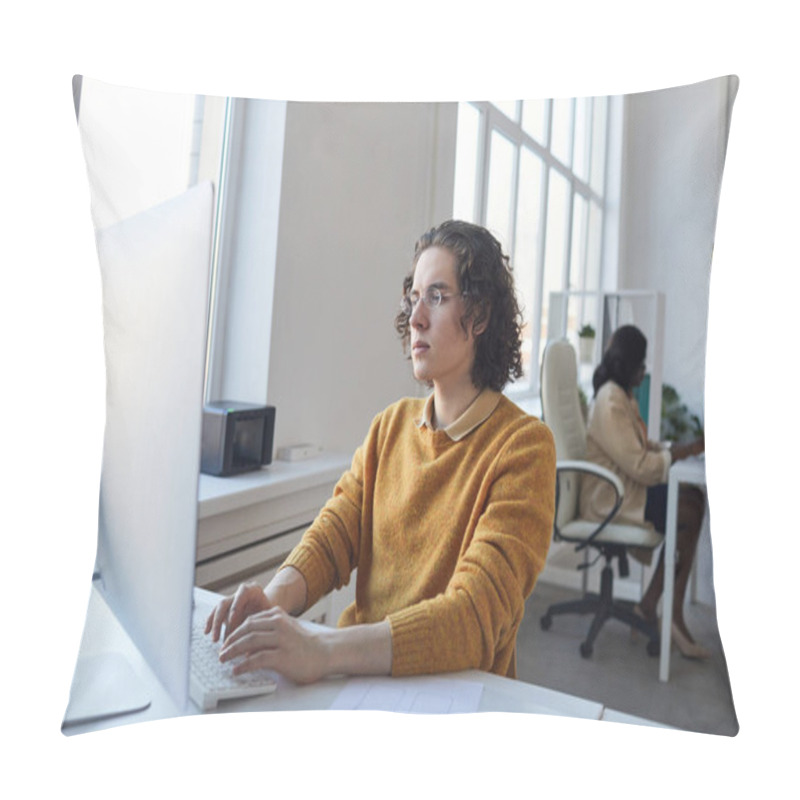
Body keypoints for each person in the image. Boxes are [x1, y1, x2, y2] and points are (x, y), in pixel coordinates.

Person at [205, 220, 556, 684]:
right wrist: (274, 600)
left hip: (449, 699)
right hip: (360, 676)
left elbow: (474, 619)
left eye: (438, 296)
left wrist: (321, 647)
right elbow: (334, 536)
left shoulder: (524, 447)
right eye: (415, 297)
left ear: (481, 314)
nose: (416, 318)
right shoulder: (390, 426)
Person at [579, 324, 709, 659]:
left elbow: (641, 445)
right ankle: (666, 613)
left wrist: (682, 448)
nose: (645, 368)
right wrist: (678, 452)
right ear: (630, 364)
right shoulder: (610, 400)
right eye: (642, 361)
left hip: (627, 489)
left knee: (694, 499)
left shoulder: (622, 396)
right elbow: (638, 463)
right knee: (690, 509)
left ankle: (654, 605)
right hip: (612, 499)